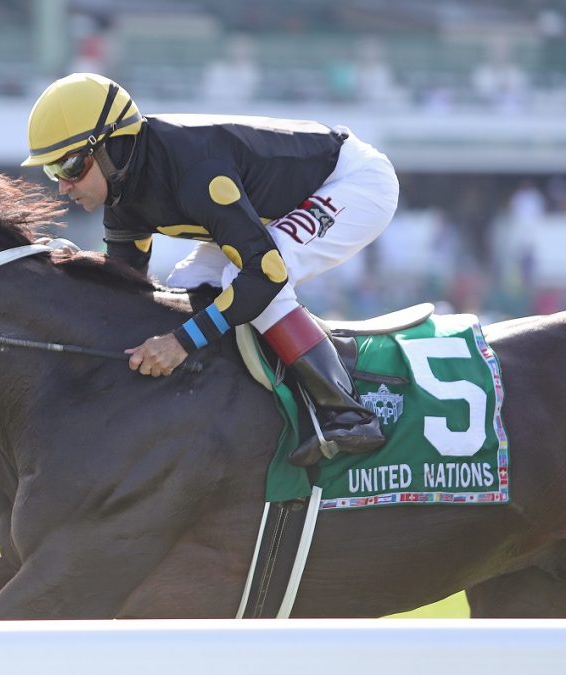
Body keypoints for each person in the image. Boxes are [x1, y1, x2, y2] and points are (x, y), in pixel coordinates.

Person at [21, 73, 400, 466]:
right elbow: (124, 293)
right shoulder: (123, 197)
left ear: (111, 148)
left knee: (250, 279)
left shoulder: (196, 172)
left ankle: (346, 411)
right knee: (186, 284)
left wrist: (180, 344)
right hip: (276, 203)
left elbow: (265, 274)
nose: (63, 186)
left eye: (69, 166)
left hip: (352, 181)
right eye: (53, 172)